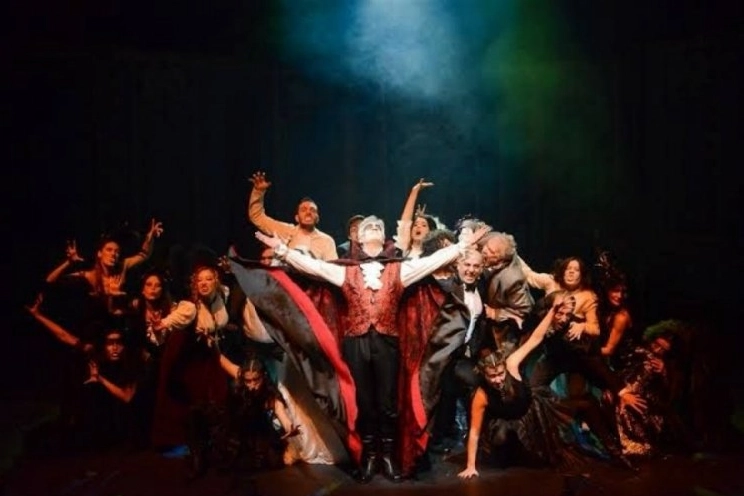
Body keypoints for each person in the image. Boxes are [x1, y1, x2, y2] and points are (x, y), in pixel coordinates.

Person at [255, 216, 490, 483]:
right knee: (364, 401)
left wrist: (461, 246)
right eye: (369, 227)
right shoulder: (345, 271)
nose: (375, 227)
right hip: (355, 342)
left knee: (388, 402)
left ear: (384, 235)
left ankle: (387, 456)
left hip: (388, 343)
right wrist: (283, 250)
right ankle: (369, 456)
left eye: (379, 225)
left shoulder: (399, 269)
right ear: (359, 237)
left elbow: (431, 262)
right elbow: (315, 267)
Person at [457, 295, 647, 478]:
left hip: (533, 411)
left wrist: (554, 311)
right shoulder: (482, 394)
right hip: (511, 424)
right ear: (484, 375)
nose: (498, 380)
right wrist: (470, 466)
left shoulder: (512, 364)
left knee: (585, 406)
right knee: (504, 439)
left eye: (500, 374)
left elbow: (537, 338)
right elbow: (474, 431)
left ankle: (616, 453)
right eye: (492, 377)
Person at [247, 171, 337, 260]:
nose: (308, 212)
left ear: (317, 218)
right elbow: (257, 217)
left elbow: (332, 267)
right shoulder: (286, 230)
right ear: (297, 218)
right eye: (303, 210)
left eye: (312, 210)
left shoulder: (327, 241)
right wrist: (258, 192)